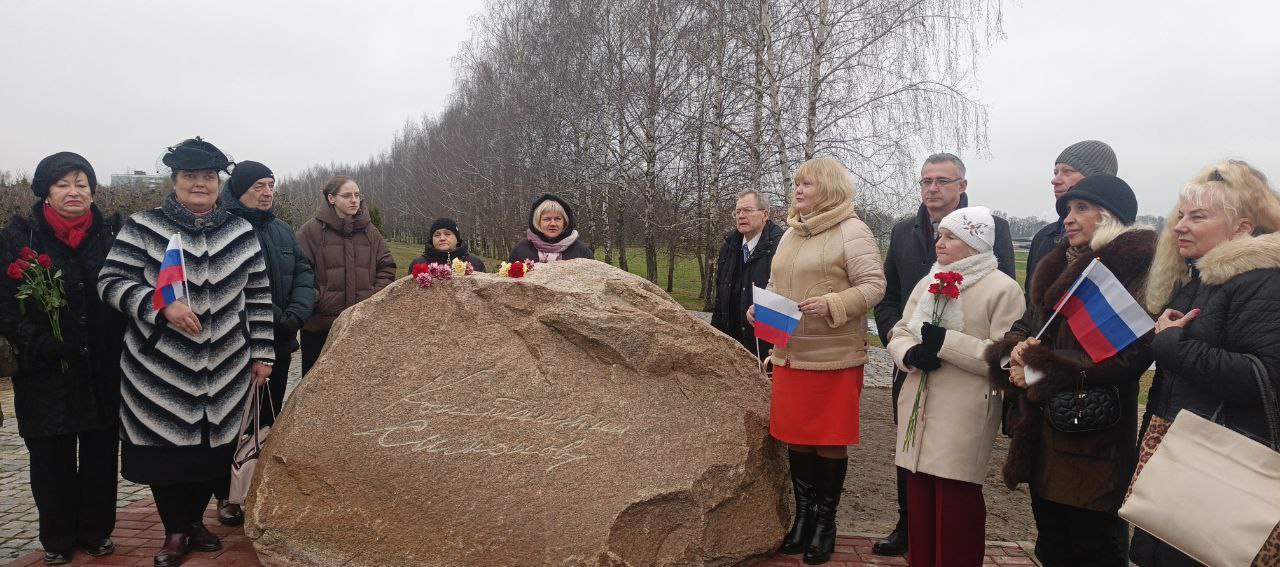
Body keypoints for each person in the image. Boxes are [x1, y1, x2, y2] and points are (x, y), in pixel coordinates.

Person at [98, 137, 275, 567]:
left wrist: (263, 353)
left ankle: (195, 522)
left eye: (208, 176)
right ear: (174, 181)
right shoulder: (143, 226)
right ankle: (175, 531)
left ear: (219, 183)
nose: (200, 183)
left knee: (212, 455)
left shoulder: (240, 232)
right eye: (190, 176)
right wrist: (160, 305)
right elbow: (111, 282)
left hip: (226, 366)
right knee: (167, 457)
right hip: (158, 367)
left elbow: (258, 295)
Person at [987, 174, 1155, 566]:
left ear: (1110, 216)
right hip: (1043, 434)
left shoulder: (1130, 273)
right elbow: (1028, 326)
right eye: (1067, 209)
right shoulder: (1057, 264)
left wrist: (1036, 370)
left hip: (1092, 436)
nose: (1068, 217)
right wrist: (1014, 352)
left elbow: (1126, 358)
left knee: (1094, 547)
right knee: (1051, 544)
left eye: (1081, 208)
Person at [1130, 161, 1280, 566]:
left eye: (1197, 217)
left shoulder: (1263, 282)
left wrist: (1172, 344)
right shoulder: (1203, 278)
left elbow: (1264, 378)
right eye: (1181, 215)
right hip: (1182, 459)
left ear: (1242, 228)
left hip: (1220, 473)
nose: (1179, 226)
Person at [871, 153, 1016, 556]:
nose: (940, 242)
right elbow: (900, 318)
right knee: (918, 490)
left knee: (954, 505)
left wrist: (944, 343)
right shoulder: (926, 271)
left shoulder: (1000, 286)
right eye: (925, 181)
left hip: (963, 405)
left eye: (950, 237)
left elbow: (1004, 351)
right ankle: (912, 540)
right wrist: (907, 352)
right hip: (918, 390)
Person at [746, 157, 886, 565]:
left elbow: (874, 286)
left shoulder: (852, 230)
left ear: (828, 187)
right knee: (797, 435)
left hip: (834, 356)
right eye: (796, 183)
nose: (798, 190)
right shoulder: (792, 233)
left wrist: (833, 303)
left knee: (829, 438)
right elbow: (776, 282)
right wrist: (761, 309)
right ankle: (804, 518)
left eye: (807, 184)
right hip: (791, 353)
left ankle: (826, 523)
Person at [0, 152, 125, 565]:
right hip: (45, 372)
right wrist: (41, 342)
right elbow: (5, 306)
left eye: (81, 184)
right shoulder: (18, 239)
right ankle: (56, 536)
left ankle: (96, 530)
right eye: (63, 184)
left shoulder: (112, 235)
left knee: (100, 455)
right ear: (45, 191)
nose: (74, 192)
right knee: (50, 460)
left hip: (102, 368)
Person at [215, 160, 315, 525]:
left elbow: (304, 272)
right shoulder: (225, 228)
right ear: (239, 189)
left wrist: (296, 315)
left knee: (268, 418)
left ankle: (258, 489)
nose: (267, 192)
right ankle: (227, 495)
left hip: (281, 342)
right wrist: (276, 317)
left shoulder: (282, 230)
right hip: (239, 346)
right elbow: (236, 284)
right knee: (236, 423)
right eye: (259, 185)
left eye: (271, 185)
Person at [296, 175, 396, 376]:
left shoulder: (370, 232)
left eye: (357, 195)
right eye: (347, 195)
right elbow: (299, 272)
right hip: (321, 328)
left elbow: (387, 266)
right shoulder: (310, 232)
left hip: (362, 326)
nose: (354, 200)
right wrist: (318, 300)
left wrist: (373, 298)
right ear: (331, 198)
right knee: (317, 387)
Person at [1024, 140, 1118, 303]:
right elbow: (1030, 304)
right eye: (1055, 172)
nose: (1055, 180)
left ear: (1098, 179)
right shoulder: (1043, 238)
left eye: (1067, 171)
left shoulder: (1122, 248)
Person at [711, 189, 785, 359]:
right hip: (731, 348)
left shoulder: (781, 247)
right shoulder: (728, 248)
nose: (741, 216)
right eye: (737, 212)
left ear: (765, 214)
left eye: (747, 210)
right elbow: (720, 300)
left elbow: (786, 298)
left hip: (765, 351)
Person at [508, 193, 593, 262]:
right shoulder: (521, 250)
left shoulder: (581, 251)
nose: (553, 224)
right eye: (547, 219)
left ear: (565, 222)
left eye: (557, 219)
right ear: (537, 222)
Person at [408, 217, 487, 273]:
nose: (442, 238)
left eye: (447, 234)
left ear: (457, 238)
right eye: (437, 235)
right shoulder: (419, 263)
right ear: (432, 239)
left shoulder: (474, 262)